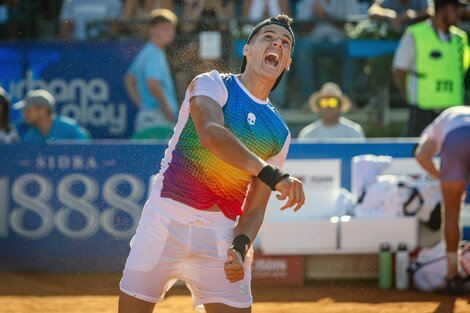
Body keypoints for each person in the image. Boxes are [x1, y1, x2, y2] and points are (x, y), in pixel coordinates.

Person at [118, 14, 305, 313]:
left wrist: (240, 246)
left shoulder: (279, 133)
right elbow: (211, 135)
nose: (277, 44)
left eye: (285, 43)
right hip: (164, 221)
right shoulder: (212, 83)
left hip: (221, 236)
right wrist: (273, 174)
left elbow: (255, 206)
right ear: (247, 49)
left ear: (287, 63)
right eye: (268, 37)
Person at [392, 0, 470, 137]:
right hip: (422, 112)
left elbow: (462, 68)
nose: (460, 12)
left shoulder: (460, 38)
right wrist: (409, 97)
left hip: (452, 112)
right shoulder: (415, 34)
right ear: (441, 8)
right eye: (455, 7)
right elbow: (399, 70)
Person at [414, 106, 470, 294]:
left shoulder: (435, 127)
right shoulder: (456, 115)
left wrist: (442, 177)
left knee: (452, 211)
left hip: (455, 141)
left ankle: (453, 275)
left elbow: (422, 156)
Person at [294, 0, 361, 105]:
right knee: (303, 48)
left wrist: (325, 15)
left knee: (352, 49)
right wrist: (315, 16)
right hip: (314, 41)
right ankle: (308, 100)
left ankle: (348, 100)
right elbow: (301, 27)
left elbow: (355, 25)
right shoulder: (308, 2)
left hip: (340, 42)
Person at [124, 8, 178, 135]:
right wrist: (166, 110)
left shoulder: (147, 52)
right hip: (158, 118)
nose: (169, 32)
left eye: (171, 28)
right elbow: (153, 84)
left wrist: (143, 106)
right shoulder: (153, 54)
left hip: (148, 116)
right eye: (164, 28)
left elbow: (129, 79)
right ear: (152, 30)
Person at [13, 89, 89, 143]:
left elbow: (87, 149)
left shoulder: (70, 128)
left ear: (42, 110)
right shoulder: (30, 136)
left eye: (28, 110)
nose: (24, 113)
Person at [297, 82, 366, 141]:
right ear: (319, 106)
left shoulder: (353, 131)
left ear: (339, 106)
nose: (328, 106)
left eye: (332, 102)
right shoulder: (307, 133)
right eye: (323, 102)